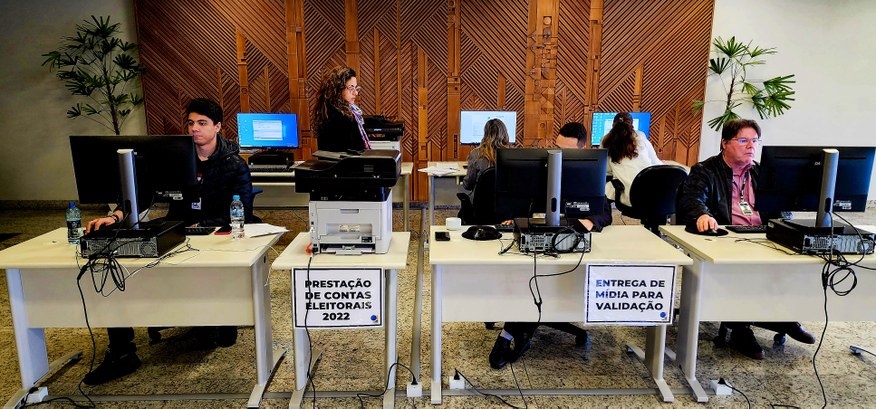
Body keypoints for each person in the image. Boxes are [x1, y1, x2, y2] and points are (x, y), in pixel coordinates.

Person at [82, 98, 256, 385]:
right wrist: (115, 217)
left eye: (201, 123)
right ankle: (122, 352)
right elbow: (141, 195)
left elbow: (243, 210)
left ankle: (218, 315)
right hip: (175, 231)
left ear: (217, 127)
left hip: (216, 235)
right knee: (115, 263)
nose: (194, 130)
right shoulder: (170, 156)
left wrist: (202, 225)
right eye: (190, 123)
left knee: (219, 336)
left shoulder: (233, 163)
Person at [675, 118, 816, 360]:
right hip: (726, 238)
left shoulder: (762, 172)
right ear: (725, 143)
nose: (750, 146)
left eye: (754, 141)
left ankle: (783, 317)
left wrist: (785, 222)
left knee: (794, 262)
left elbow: (782, 206)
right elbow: (692, 198)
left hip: (762, 235)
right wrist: (702, 214)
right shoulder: (705, 170)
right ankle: (740, 329)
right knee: (742, 268)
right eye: (743, 140)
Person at [488, 122, 613, 370]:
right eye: (556, 148)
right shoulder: (543, 166)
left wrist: (590, 221)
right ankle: (517, 332)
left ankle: (509, 335)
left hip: (569, 244)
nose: (558, 157)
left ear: (583, 149)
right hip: (538, 238)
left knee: (538, 279)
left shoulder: (587, 172)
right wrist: (515, 217)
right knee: (527, 276)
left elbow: (604, 213)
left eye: (568, 152)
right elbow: (519, 198)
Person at [602, 112, 662, 207]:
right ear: (632, 125)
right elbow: (656, 163)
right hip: (653, 196)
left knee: (602, 189)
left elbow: (606, 170)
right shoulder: (641, 137)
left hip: (630, 197)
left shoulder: (606, 141)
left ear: (613, 124)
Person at [313, 66, 371, 152]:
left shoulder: (325, 111)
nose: (356, 92)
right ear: (338, 89)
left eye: (356, 88)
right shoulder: (342, 117)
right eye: (351, 88)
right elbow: (355, 152)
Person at [460, 118, 511, 203]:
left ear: (485, 133)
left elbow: (468, 185)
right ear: (505, 133)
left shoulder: (476, 154)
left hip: (481, 205)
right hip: (506, 206)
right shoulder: (513, 155)